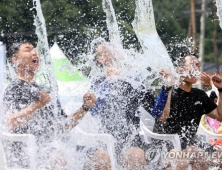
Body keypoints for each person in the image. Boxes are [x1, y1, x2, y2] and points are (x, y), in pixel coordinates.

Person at [3, 41, 111, 170]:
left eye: (35, 50)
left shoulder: (46, 90)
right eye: (27, 50)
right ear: (15, 60)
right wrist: (36, 106)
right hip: (29, 152)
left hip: (55, 148)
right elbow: (10, 123)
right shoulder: (14, 88)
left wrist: (85, 107)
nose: (34, 52)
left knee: (100, 156)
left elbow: (63, 126)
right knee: (58, 156)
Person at [89, 40, 156, 170]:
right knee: (101, 158)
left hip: (131, 138)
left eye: (113, 46)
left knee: (136, 156)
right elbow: (94, 111)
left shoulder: (132, 78)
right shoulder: (98, 81)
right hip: (106, 137)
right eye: (108, 48)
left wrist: (123, 77)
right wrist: (109, 82)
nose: (114, 48)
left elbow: (151, 105)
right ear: (101, 59)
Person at [153, 52, 222, 170]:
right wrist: (168, 85)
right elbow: (162, 116)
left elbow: (220, 116)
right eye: (192, 65)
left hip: (190, 146)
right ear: (179, 70)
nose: (197, 69)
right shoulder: (169, 91)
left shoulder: (199, 95)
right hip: (165, 148)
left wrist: (220, 89)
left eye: (198, 66)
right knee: (193, 154)